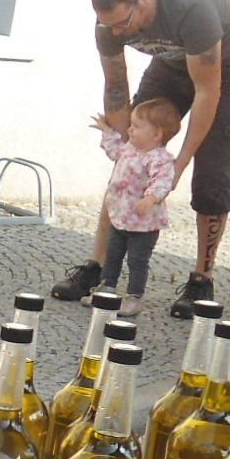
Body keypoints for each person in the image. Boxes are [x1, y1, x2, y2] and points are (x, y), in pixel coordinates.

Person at [56, 0, 230, 318]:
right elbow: (116, 85)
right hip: (171, 63)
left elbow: (207, 92)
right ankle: (98, 268)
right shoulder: (109, 25)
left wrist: (178, 164)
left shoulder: (192, 10)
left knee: (213, 174)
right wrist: (126, 152)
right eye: (109, 25)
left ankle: (202, 280)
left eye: (124, 23)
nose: (117, 32)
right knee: (130, 164)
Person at [88, 98, 180, 317]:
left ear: (156, 134)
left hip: (144, 225)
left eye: (137, 126)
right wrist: (106, 131)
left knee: (137, 261)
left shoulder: (160, 159)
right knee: (113, 254)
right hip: (120, 216)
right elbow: (114, 151)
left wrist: (151, 198)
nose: (130, 130)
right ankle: (107, 287)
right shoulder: (130, 149)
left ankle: (134, 296)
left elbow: (163, 182)